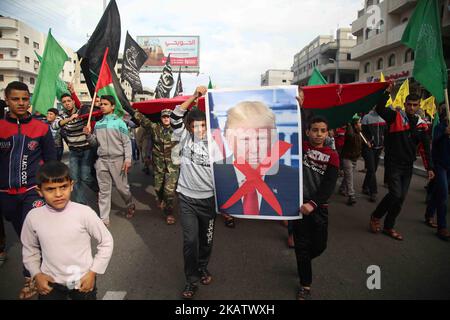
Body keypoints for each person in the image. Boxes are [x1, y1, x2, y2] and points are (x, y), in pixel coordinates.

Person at [21, 161, 113, 300]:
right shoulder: (33, 217)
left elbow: (106, 241)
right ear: (39, 191)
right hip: (50, 283)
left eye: (63, 187)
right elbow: (29, 248)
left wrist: (93, 272)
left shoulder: (84, 212)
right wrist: (36, 274)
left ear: (71, 186)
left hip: (82, 280)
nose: (58, 194)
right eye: (50, 189)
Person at [0, 81, 56, 299]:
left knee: (29, 236)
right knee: (21, 232)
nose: (21, 103)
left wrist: (50, 189)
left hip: (33, 191)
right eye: (16, 99)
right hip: (6, 194)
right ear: (7, 100)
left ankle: (31, 278)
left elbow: (51, 160)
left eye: (25, 99)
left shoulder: (42, 128)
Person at [213, 101, 300, 217]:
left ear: (273, 139)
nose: (255, 149)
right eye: (245, 140)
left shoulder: (293, 178)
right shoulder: (213, 173)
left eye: (261, 138)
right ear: (229, 140)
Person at [170, 86, 216, 299]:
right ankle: (191, 280)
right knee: (190, 241)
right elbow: (176, 114)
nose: (200, 130)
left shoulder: (217, 142)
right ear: (188, 127)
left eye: (203, 126)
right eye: (196, 126)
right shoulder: (183, 137)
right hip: (187, 198)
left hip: (209, 201)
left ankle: (202, 266)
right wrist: (195, 97)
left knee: (206, 241)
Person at [370, 90, 434, 240]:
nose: (411, 107)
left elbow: (425, 148)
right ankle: (375, 216)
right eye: (409, 105)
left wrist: (429, 168)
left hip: (408, 166)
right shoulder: (394, 117)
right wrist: (386, 93)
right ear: (404, 105)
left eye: (415, 105)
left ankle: (389, 227)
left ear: (419, 106)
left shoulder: (422, 125)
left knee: (400, 199)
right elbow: (379, 108)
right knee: (395, 194)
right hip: (393, 163)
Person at [293, 116, 339, 300]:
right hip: (298, 207)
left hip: (318, 208)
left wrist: (313, 204)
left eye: (322, 130)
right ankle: (305, 284)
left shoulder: (333, 155)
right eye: (314, 130)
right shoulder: (300, 147)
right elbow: (295, 123)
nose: (318, 134)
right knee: (302, 247)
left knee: (320, 246)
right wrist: (298, 107)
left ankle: (303, 261)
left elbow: (329, 186)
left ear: (327, 133)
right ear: (307, 132)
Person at [84, 95, 135, 227]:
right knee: (104, 191)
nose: (102, 106)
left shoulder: (120, 123)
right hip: (102, 161)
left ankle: (130, 204)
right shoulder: (98, 124)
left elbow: (127, 142)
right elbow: (94, 143)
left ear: (112, 106)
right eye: (101, 104)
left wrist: (128, 159)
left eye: (105, 104)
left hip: (118, 160)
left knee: (122, 188)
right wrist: (88, 135)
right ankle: (104, 219)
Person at [134, 108, 180, 225]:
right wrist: (133, 111)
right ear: (161, 118)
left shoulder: (178, 129)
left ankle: (169, 213)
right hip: (158, 165)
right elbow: (143, 120)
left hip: (172, 166)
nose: (166, 119)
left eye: (168, 117)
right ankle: (160, 199)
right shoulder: (155, 128)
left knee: (169, 191)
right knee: (158, 188)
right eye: (164, 117)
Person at [52, 92, 99, 205]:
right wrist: (69, 119)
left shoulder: (82, 112)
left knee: (86, 177)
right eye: (64, 102)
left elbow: (89, 110)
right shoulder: (62, 116)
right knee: (74, 179)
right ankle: (81, 204)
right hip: (73, 151)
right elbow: (54, 125)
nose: (67, 104)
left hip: (87, 150)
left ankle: (99, 190)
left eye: (69, 101)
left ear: (73, 102)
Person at [424, 105, 450, 241]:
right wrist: (445, 133)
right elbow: (434, 143)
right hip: (440, 165)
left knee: (438, 192)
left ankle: (428, 214)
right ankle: (442, 227)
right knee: (444, 195)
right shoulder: (440, 127)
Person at [361, 108, 386, 202]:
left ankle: (365, 187)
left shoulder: (384, 118)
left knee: (373, 169)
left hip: (379, 148)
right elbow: (362, 133)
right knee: (371, 169)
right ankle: (373, 192)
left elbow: (385, 133)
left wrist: (384, 144)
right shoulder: (366, 117)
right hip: (368, 148)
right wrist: (366, 141)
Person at [339, 115, 363, 206]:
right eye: (359, 122)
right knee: (349, 177)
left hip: (354, 158)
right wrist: (349, 124)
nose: (361, 124)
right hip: (347, 158)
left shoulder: (359, 133)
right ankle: (351, 195)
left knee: (348, 176)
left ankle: (342, 188)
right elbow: (349, 134)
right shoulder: (350, 133)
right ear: (355, 124)